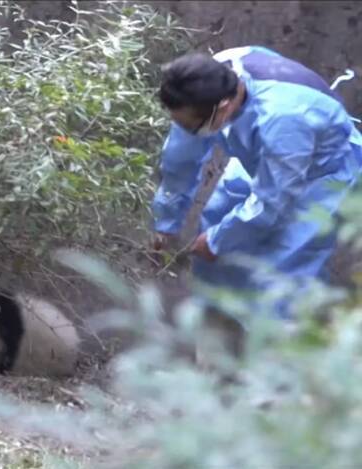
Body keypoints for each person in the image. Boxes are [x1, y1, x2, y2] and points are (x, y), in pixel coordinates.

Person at [151, 45, 362, 322]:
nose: (187, 128)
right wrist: (166, 220)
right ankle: (217, 325)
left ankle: (278, 347)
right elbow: (182, 154)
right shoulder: (209, 79)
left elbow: (271, 201)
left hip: (322, 174)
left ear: (223, 109)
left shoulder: (284, 118)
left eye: (191, 124)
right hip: (264, 157)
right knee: (216, 219)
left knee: (284, 266)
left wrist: (218, 240)